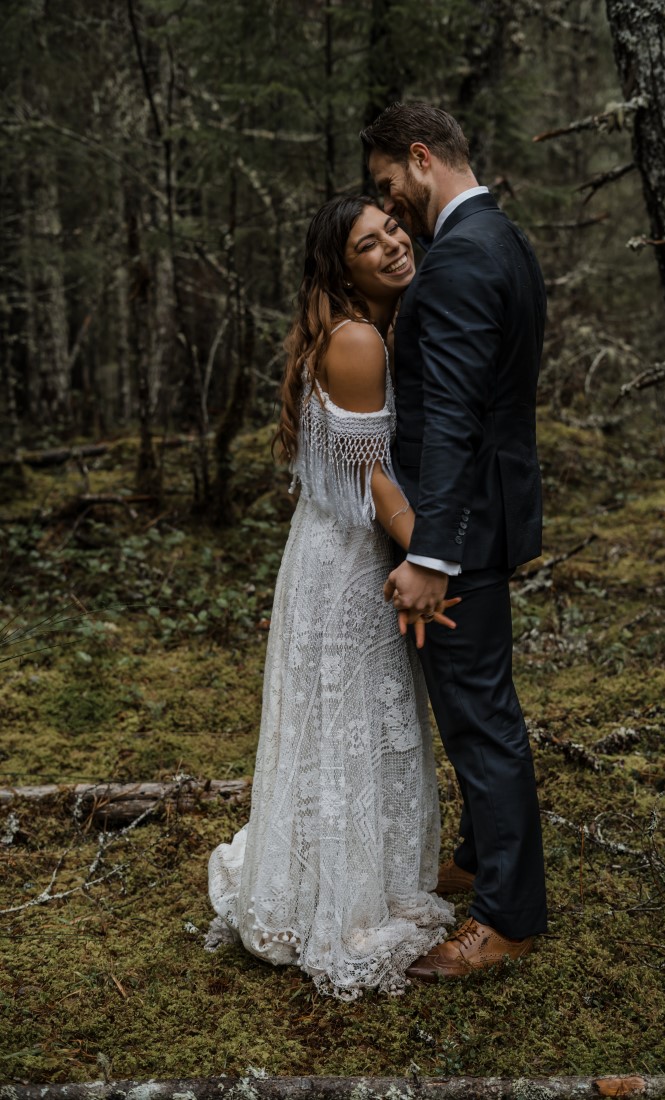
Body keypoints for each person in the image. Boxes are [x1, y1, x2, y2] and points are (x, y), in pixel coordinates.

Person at [205, 195, 457, 1001]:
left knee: (344, 718)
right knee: (348, 718)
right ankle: (337, 903)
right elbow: (372, 476)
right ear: (338, 267)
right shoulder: (355, 341)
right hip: (346, 560)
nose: (390, 246)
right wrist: (436, 554)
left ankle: (340, 877)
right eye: (366, 244)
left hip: (328, 549)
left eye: (392, 230)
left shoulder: (362, 329)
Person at [360, 102, 548, 980]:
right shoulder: (498, 238)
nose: (388, 204)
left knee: (479, 719)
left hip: (461, 531)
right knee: (477, 705)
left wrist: (430, 555)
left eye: (388, 181)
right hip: (483, 514)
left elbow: (456, 417)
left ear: (422, 156)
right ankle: (478, 857)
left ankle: (506, 918)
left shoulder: (465, 257)